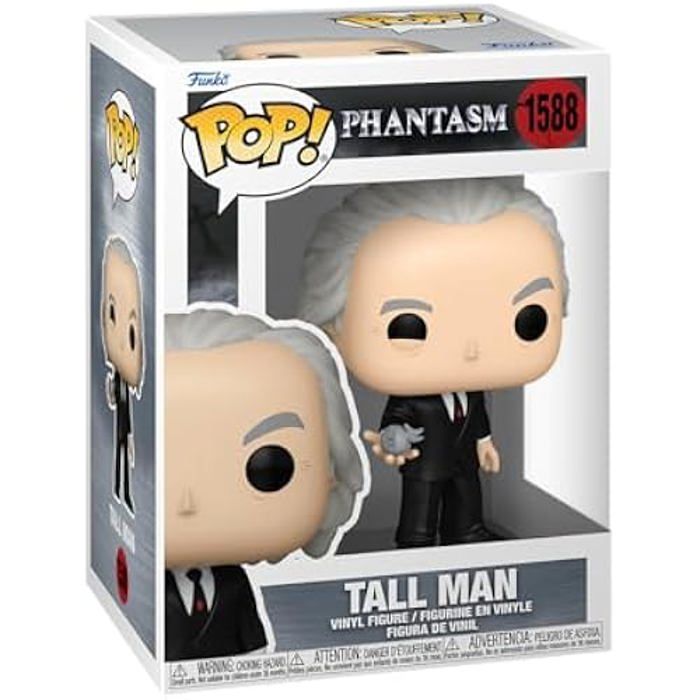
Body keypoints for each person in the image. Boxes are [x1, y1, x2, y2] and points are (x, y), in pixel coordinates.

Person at [298, 178, 568, 547]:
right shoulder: (412, 399)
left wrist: (484, 442)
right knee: (421, 508)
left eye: (529, 319)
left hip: (464, 460)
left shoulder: (472, 393)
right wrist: (393, 441)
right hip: (425, 464)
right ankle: (417, 540)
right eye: (407, 326)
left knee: (467, 498)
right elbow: (395, 422)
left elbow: (477, 417)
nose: (471, 350)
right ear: (334, 327)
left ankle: (467, 531)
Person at [164, 309, 366, 660]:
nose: (188, 501)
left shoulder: (233, 584)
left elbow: (253, 639)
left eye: (270, 467)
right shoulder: (150, 591)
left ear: (329, 471)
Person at [102, 237, 144, 516]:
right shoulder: (118, 375)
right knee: (120, 454)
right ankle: (121, 489)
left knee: (124, 453)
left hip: (126, 420)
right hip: (122, 419)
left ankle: (124, 490)